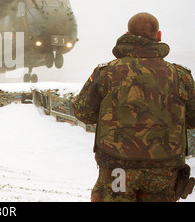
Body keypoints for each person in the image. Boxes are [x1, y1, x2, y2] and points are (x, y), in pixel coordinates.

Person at [72, 12, 195, 202]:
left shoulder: (106, 73)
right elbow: (193, 119)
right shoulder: (181, 76)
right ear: (159, 36)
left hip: (117, 169)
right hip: (163, 172)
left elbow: (83, 112)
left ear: (128, 34)